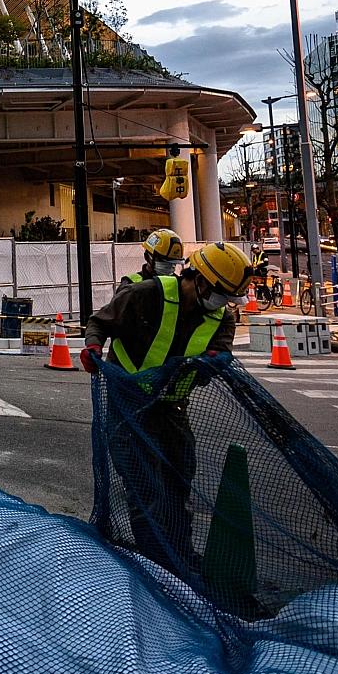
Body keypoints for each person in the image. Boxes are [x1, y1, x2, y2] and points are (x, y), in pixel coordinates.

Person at [80, 242, 254, 565]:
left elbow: (222, 350)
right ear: (200, 280)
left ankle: (178, 555)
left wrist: (217, 361)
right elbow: (100, 322)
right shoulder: (148, 294)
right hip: (127, 402)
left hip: (171, 408)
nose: (223, 304)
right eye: (221, 294)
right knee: (143, 487)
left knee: (178, 478)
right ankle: (155, 563)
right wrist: (93, 347)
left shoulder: (220, 319)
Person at [117, 228, 184, 292]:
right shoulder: (130, 286)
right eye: (163, 261)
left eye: (174, 263)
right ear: (147, 257)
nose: (170, 267)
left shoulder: (179, 284)